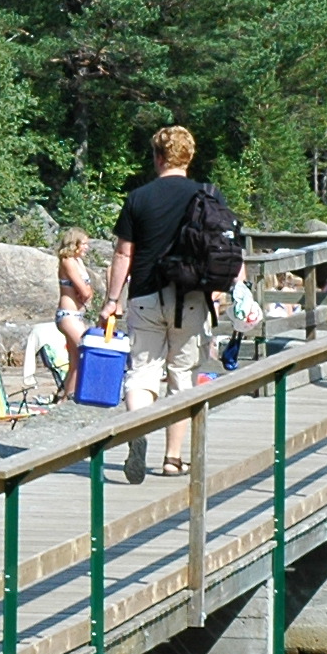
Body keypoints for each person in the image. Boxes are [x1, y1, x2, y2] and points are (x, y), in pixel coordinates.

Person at [99, 126, 219, 478]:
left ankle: (137, 431)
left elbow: (124, 254)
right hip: (192, 297)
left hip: (146, 295)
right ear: (189, 157)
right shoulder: (207, 195)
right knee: (182, 378)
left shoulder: (139, 197)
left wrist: (111, 300)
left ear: (157, 157)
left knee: (141, 374)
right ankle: (172, 459)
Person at [52, 229, 97, 400]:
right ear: (74, 244)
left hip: (77, 315)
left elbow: (88, 291)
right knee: (87, 352)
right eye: (84, 243)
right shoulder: (67, 261)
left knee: (76, 361)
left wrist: (85, 291)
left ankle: (64, 397)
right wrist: (84, 292)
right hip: (68, 314)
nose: (86, 247)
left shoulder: (78, 261)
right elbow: (84, 291)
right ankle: (71, 395)